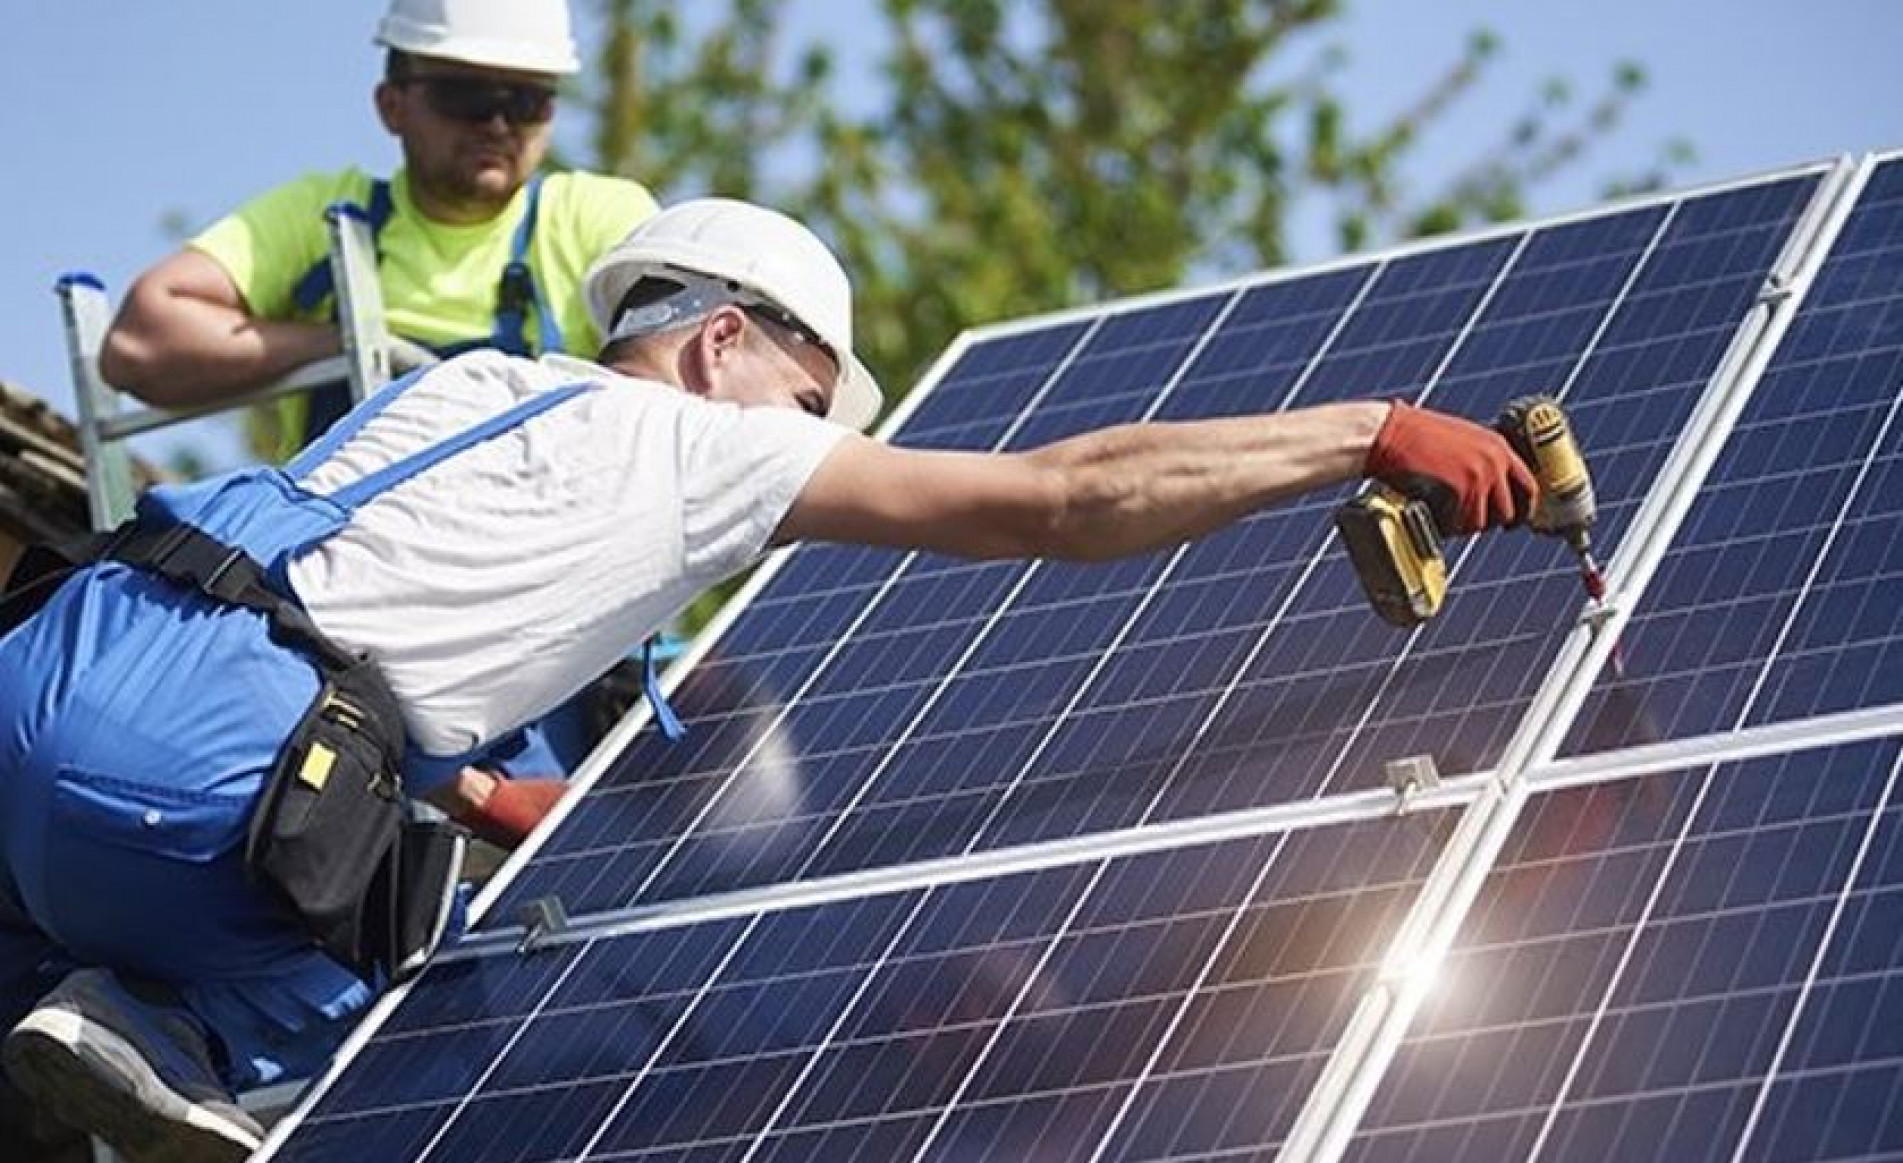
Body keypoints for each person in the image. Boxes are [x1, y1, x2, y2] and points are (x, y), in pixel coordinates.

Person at [0, 196, 1534, 1163]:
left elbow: (332, 596)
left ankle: (79, 1010)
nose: (806, 438)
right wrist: (1355, 432)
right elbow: (1059, 501)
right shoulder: (698, 445)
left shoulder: (470, 382)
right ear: (720, 340)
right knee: (416, 981)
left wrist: (468, 785)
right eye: (805, 400)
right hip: (180, 777)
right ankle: (188, 1034)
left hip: (53, 661)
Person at [98, 0, 661, 462]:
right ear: (392, 105)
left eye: (525, 101)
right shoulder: (329, 217)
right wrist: (346, 345)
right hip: (337, 552)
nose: (496, 124)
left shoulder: (593, 218)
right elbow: (138, 345)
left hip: (536, 549)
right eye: (465, 96)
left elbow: (683, 383)